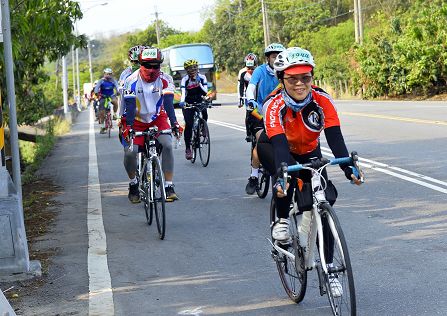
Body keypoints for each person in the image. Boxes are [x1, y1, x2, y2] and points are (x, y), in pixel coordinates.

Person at [256, 46, 363, 295]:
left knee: (324, 204)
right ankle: (281, 220)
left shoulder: (322, 100)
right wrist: (283, 177)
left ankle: (329, 270)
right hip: (275, 147)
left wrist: (348, 168)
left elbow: (335, 138)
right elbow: (281, 148)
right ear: (281, 79)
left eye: (306, 77)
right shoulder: (273, 105)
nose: (300, 83)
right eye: (292, 78)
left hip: (309, 151)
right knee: (288, 178)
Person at [121, 46, 181, 203]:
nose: (152, 69)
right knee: (130, 152)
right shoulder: (130, 80)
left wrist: (174, 123)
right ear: (140, 64)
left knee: (167, 144)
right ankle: (133, 184)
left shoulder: (165, 79)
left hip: (157, 117)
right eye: (148, 65)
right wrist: (128, 126)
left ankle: (168, 186)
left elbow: (168, 103)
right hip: (136, 119)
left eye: (156, 65)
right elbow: (130, 106)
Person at [244, 43, 285, 195]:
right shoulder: (260, 71)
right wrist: (250, 100)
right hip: (260, 111)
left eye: (279, 56)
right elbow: (251, 88)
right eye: (274, 56)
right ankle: (254, 176)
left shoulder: (285, 71)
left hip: (280, 112)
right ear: (268, 58)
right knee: (261, 143)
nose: (277, 59)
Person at [178, 59, 209, 160]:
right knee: (189, 124)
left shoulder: (202, 77)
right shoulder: (185, 79)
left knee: (204, 112)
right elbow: (183, 93)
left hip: (199, 100)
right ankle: (188, 149)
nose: (193, 70)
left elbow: (205, 92)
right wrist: (182, 102)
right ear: (186, 70)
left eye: (195, 67)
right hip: (188, 102)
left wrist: (199, 83)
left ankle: (203, 127)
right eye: (190, 68)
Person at [238, 53, 258, 141]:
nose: (250, 70)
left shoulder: (260, 72)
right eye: (248, 68)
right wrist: (241, 98)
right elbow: (241, 86)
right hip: (249, 97)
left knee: (260, 114)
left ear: (256, 65)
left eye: (252, 68)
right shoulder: (243, 74)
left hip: (259, 96)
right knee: (249, 115)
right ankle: (248, 133)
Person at [94, 68, 120, 134]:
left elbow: (117, 87)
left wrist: (118, 91)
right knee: (102, 112)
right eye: (106, 74)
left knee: (115, 102)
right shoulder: (101, 81)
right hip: (103, 96)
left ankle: (114, 114)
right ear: (104, 74)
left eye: (109, 74)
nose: (108, 75)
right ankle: (102, 127)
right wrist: (96, 92)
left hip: (111, 96)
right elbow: (97, 88)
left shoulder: (113, 81)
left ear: (111, 75)